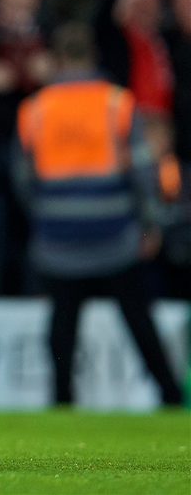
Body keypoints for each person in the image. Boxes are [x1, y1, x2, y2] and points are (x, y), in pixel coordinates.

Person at [13, 22, 185, 407]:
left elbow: (23, 179)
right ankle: (170, 394)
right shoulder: (117, 103)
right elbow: (143, 169)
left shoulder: (35, 109)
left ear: (57, 60)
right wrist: (150, 222)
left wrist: (45, 215)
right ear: (93, 56)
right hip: (115, 234)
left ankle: (61, 399)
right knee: (138, 319)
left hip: (58, 235)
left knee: (63, 325)